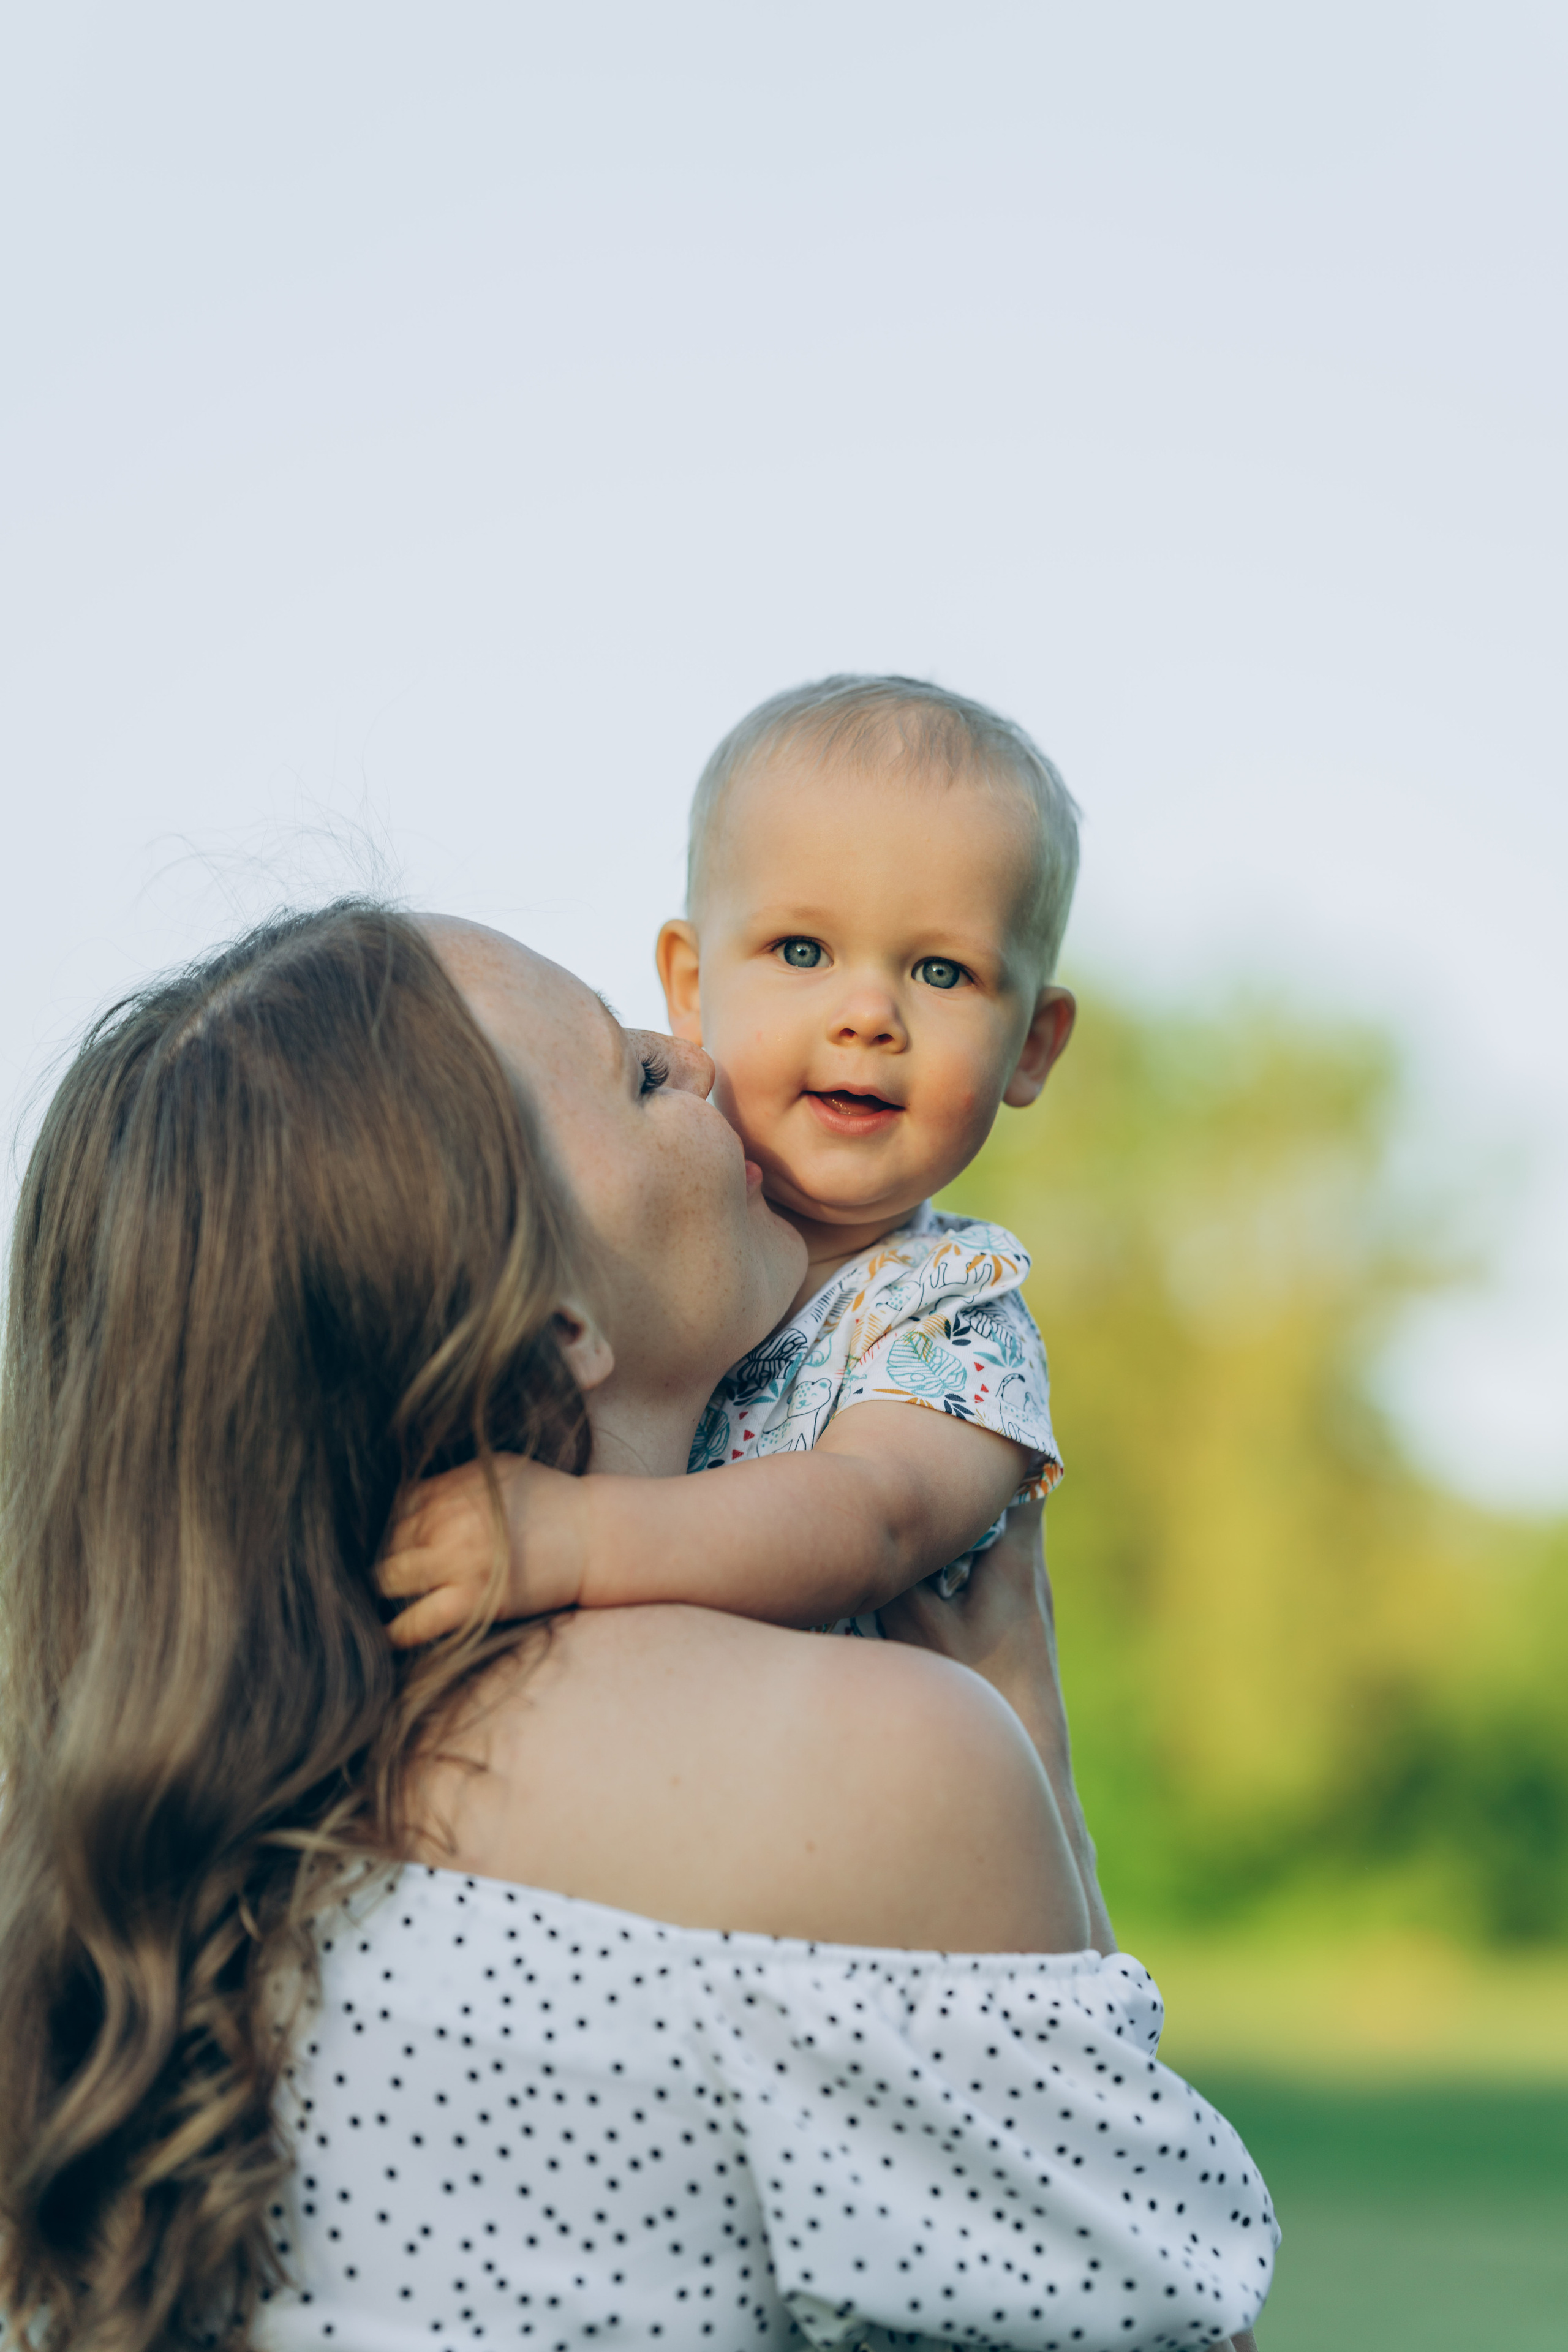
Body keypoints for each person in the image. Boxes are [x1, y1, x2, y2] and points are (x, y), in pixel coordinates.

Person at [0, 903, 1274, 2352]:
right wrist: (1029, 1758)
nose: (710, 1061)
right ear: (554, 1321)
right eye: (635, 1077)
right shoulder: (862, 1764)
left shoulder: (133, 1842)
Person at [382, 677, 1084, 1647]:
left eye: (940, 972)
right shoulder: (618, 1233)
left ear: (1034, 1045)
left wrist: (580, 1538)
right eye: (803, 950)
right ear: (692, 983)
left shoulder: (952, 1311)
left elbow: (872, 1515)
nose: (869, 1015)